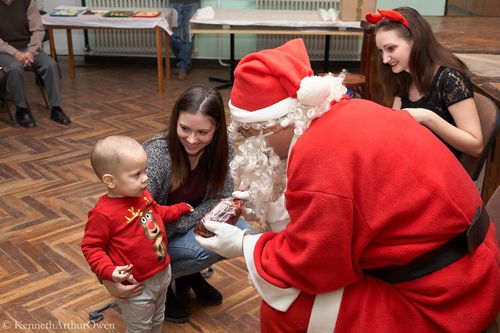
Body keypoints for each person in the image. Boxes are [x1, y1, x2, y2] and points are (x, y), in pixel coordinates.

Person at [195, 38, 500, 332]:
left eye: (252, 134)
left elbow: (313, 266)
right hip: (473, 263)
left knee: (285, 307)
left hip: (446, 300)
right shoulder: (346, 111)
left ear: (279, 122)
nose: (252, 146)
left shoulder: (319, 155)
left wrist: (243, 245)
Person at [102, 85, 252, 323]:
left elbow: (221, 199)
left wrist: (185, 220)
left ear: (217, 129)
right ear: (175, 121)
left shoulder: (225, 150)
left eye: (202, 132)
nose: (192, 140)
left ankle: (187, 277)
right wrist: (109, 276)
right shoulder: (157, 155)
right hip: (150, 241)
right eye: (184, 128)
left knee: (243, 229)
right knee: (205, 247)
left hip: (176, 226)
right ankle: (160, 287)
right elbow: (130, 222)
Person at [81, 135, 194, 332]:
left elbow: (159, 212)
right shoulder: (102, 214)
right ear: (110, 181)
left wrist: (180, 208)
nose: (146, 178)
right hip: (136, 286)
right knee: (140, 329)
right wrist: (108, 270)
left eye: (145, 170)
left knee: (157, 320)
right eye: (136, 174)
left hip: (162, 274)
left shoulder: (142, 195)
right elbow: (91, 247)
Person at [367, 7, 482, 159]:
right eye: (381, 51)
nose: (385, 59)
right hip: (413, 161)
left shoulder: (450, 78)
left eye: (391, 49)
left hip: (441, 171)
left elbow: (476, 146)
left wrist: (428, 117)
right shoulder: (402, 76)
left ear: (416, 41)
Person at [0, 0, 71, 128]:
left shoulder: (27, 2)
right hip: (4, 52)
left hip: (27, 49)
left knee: (50, 64)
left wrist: (31, 52)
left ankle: (56, 108)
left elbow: (38, 29)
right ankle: (22, 110)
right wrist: (15, 54)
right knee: (14, 67)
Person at [168, 0, 200, 80]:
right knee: (172, 35)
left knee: (188, 36)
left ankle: (182, 67)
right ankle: (186, 62)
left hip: (192, 3)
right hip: (174, 2)